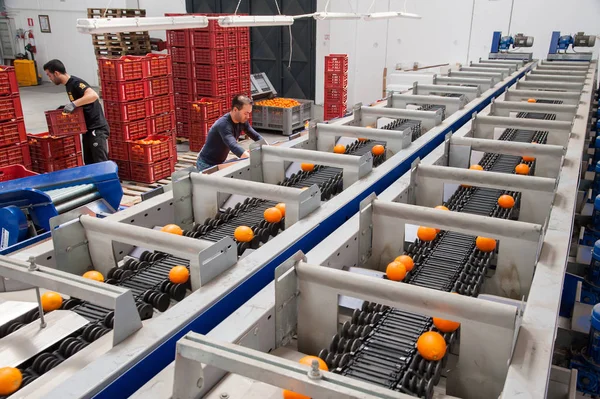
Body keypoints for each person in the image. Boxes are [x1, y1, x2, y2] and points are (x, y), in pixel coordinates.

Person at [43, 59, 109, 165]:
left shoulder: (76, 83)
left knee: (100, 162)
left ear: (56, 73)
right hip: (87, 129)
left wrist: (73, 104)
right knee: (89, 162)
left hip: (96, 128)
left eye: (49, 75)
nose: (49, 78)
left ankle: (109, 181)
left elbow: (93, 95)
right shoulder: (68, 86)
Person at [196, 94, 265, 171]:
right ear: (235, 110)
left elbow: (256, 136)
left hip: (220, 163)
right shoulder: (223, 124)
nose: (248, 116)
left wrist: (268, 148)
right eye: (245, 113)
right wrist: (250, 159)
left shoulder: (242, 121)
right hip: (206, 164)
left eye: (249, 113)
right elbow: (233, 145)